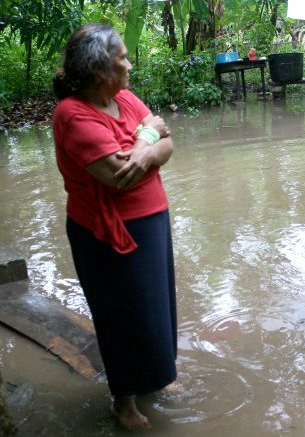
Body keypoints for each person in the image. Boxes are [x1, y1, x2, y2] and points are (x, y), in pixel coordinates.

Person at [52, 23, 177, 429]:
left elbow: (168, 142)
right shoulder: (72, 114)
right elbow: (118, 176)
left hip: (152, 220)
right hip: (105, 233)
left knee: (156, 307)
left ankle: (156, 377)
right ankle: (123, 401)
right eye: (122, 58)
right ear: (100, 69)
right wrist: (147, 140)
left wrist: (145, 150)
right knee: (120, 315)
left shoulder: (122, 97)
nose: (129, 64)